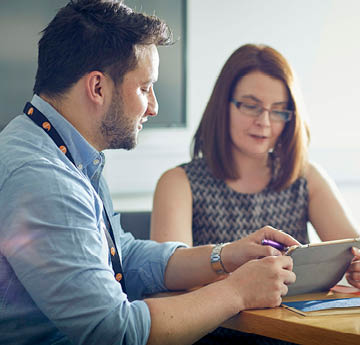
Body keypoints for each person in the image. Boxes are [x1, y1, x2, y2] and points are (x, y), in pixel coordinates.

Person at [0, 2, 300, 345]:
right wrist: (238, 291)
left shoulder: (64, 151)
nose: (154, 106)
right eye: (145, 88)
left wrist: (225, 256)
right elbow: (115, 332)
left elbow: (123, 256)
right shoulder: (43, 178)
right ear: (97, 88)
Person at [150, 44, 360, 285]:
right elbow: (166, 278)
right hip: (215, 322)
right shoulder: (179, 183)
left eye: (279, 111)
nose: (264, 121)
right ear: (223, 106)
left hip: (290, 321)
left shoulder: (305, 177)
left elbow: (353, 249)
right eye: (251, 106)